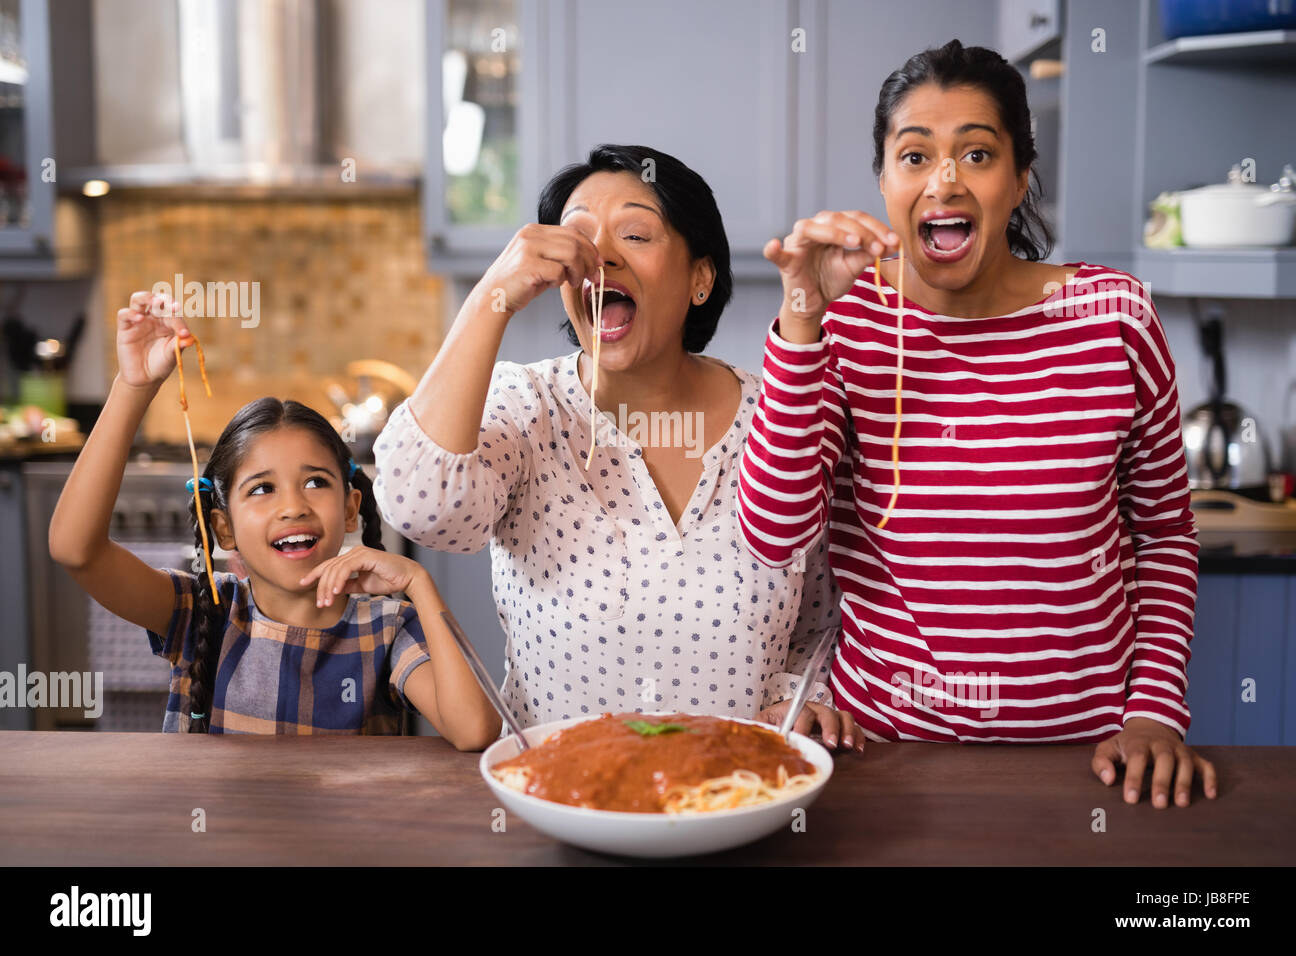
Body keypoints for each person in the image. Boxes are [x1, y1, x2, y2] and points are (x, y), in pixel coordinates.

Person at [740, 39, 1217, 806]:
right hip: (884, 753)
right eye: (916, 156)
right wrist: (803, 313)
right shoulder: (848, 319)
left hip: (1092, 758)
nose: (945, 181)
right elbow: (773, 532)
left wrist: (1155, 713)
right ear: (885, 180)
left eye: (977, 154)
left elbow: (1164, 534)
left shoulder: (1115, 317)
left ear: (1020, 177)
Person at [372, 144, 862, 750]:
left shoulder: (784, 413)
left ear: (700, 278)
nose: (600, 256)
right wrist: (491, 295)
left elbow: (820, 614)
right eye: (576, 238)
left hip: (738, 794)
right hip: (560, 797)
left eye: (636, 234)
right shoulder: (526, 406)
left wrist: (801, 693)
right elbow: (418, 506)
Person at [48, 291, 501, 746]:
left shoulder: (387, 628)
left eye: (315, 482)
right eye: (262, 489)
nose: (293, 507)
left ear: (350, 510)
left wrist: (419, 584)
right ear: (224, 528)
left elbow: (475, 732)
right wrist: (133, 386)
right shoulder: (201, 612)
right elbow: (76, 551)